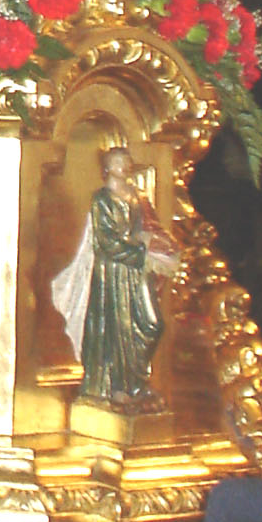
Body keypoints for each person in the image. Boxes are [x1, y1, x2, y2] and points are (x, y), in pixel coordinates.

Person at [51, 146, 181, 406]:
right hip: (112, 274)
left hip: (136, 271)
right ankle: (118, 386)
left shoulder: (137, 197)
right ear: (108, 167)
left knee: (152, 324)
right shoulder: (102, 199)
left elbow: (148, 228)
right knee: (116, 328)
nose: (125, 166)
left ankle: (136, 381)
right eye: (119, 162)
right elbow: (105, 242)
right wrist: (139, 248)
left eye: (127, 161)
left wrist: (157, 246)